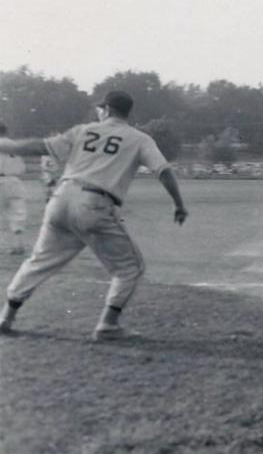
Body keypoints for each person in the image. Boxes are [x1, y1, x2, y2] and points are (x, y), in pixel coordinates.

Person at [0, 90, 189, 340]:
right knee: (130, 268)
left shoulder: (83, 130)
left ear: (107, 109)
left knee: (38, 261)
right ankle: (108, 325)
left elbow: (36, 146)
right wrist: (179, 204)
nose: (98, 112)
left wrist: (3, 143)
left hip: (61, 198)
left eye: (101, 108)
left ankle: (6, 317)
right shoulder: (139, 138)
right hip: (95, 203)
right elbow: (163, 170)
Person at [0, 122, 27, 256]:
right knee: (17, 213)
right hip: (15, 181)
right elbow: (22, 168)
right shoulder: (14, 145)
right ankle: (18, 245)